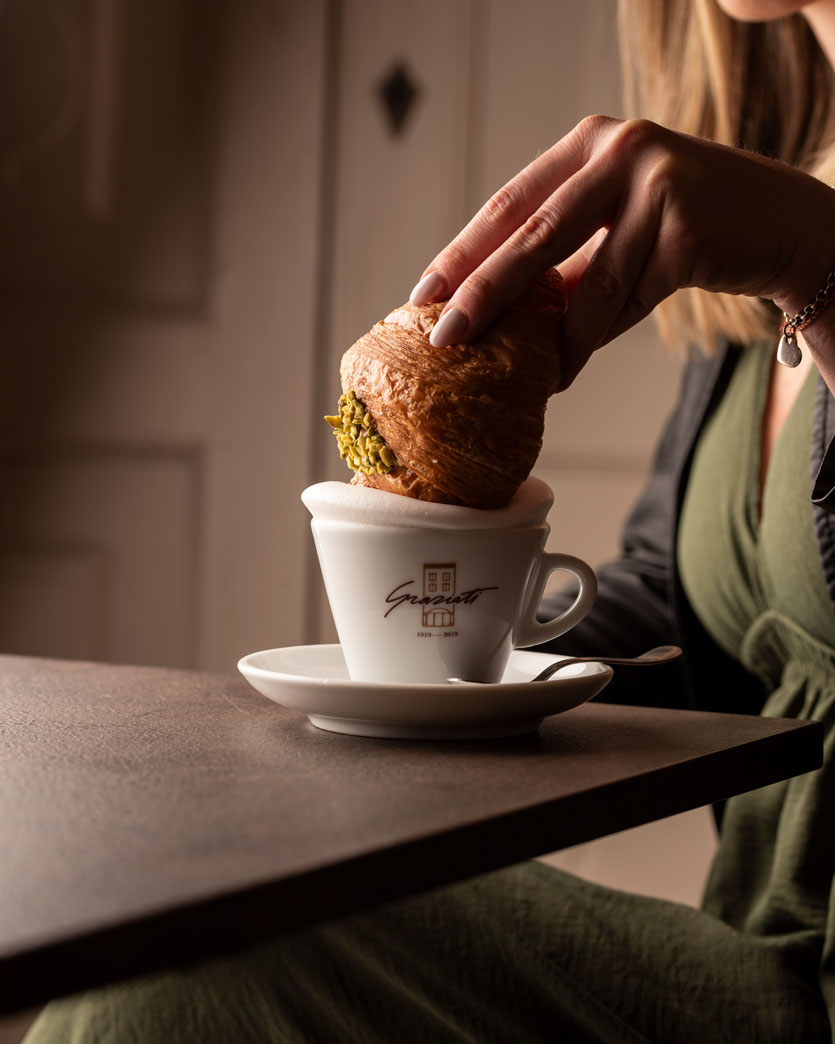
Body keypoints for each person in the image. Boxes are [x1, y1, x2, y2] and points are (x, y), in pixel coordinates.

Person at [23, 0, 835, 1040]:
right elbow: (688, 603)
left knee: (188, 949)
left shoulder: (783, 235)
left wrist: (815, 262)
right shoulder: (759, 198)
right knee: (175, 911)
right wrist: (419, 658)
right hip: (750, 969)